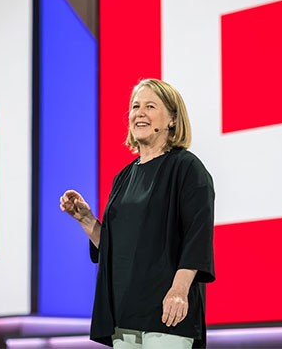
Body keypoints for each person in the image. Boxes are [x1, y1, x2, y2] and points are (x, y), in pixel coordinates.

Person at [59, 78, 215, 349]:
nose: (139, 112)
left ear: (172, 120)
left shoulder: (187, 168)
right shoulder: (124, 177)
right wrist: (86, 220)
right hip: (124, 312)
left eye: (150, 106)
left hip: (167, 311)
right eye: (135, 106)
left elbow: (196, 236)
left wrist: (179, 291)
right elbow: (114, 247)